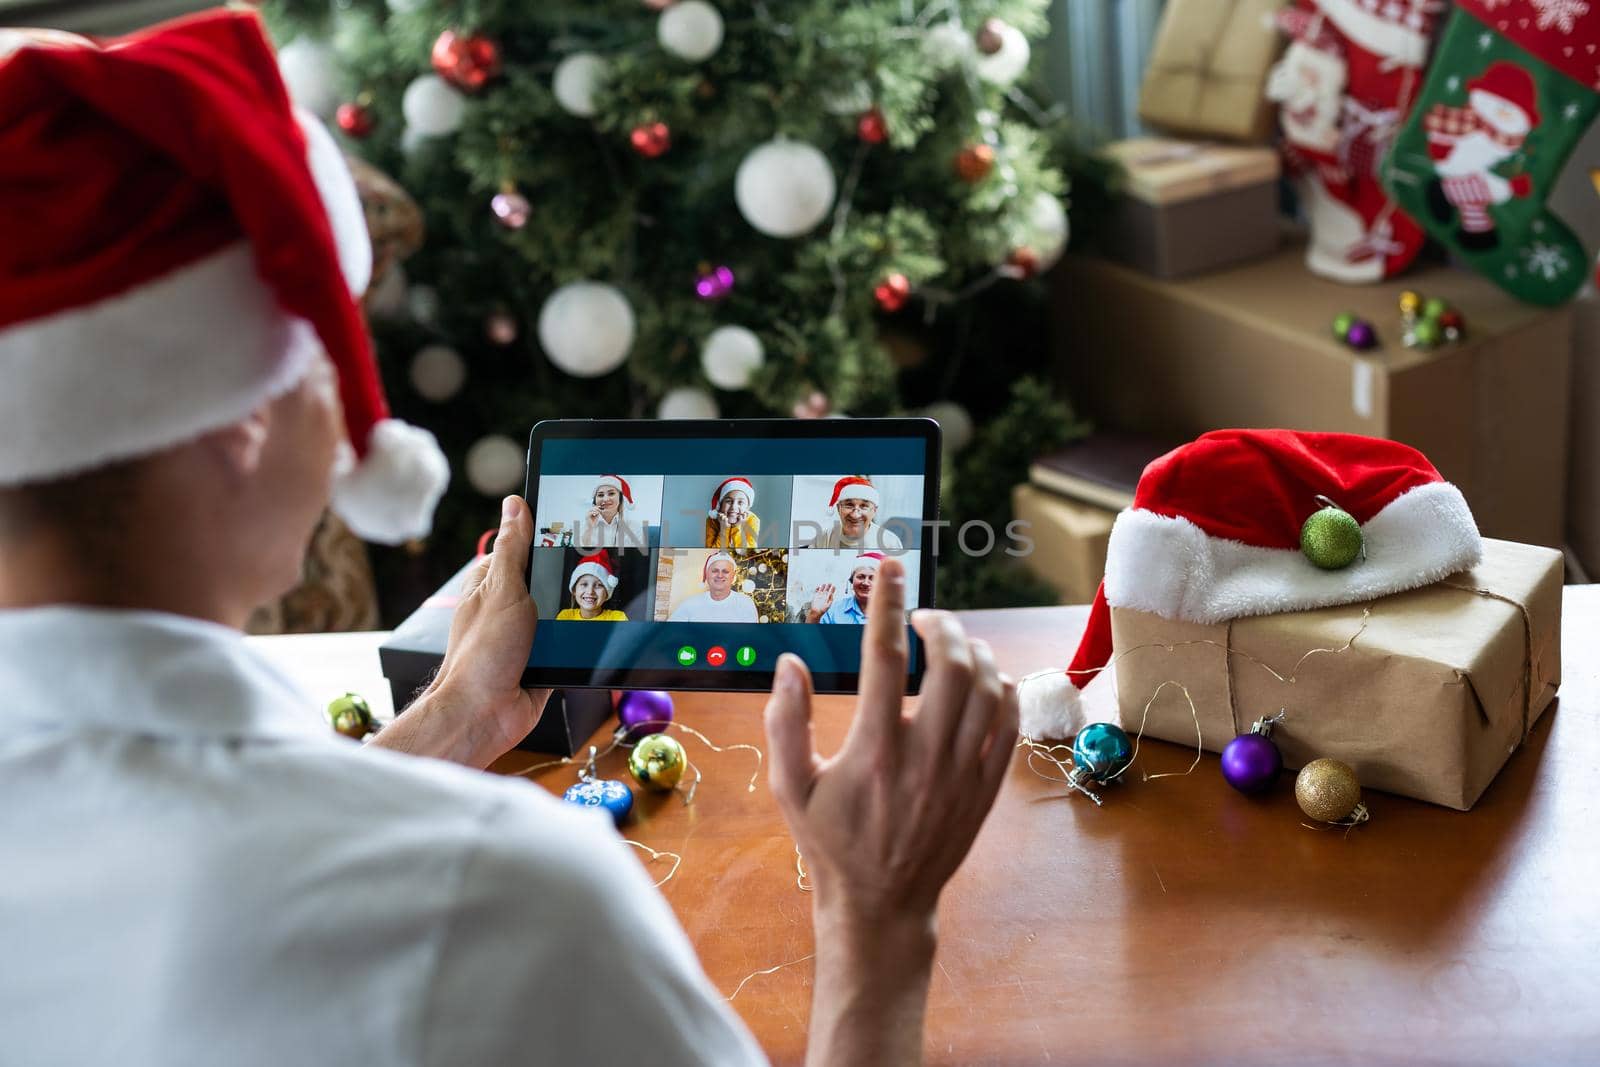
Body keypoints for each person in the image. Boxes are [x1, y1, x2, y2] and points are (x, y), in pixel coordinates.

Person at [0, 14, 1019, 1067]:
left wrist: (454, 718)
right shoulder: (496, 898)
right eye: (332, 355)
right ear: (241, 422)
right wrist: (878, 917)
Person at [806, 475, 905, 551]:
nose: (855, 514)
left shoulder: (890, 543)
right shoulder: (822, 540)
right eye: (849, 505)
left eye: (864, 506)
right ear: (838, 508)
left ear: (874, 511)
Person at [667, 551, 760, 622]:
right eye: (715, 571)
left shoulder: (745, 604)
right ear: (707, 574)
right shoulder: (690, 603)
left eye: (725, 571)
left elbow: (752, 638)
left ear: (733, 576)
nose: (720, 575)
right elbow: (669, 632)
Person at [805, 551, 884, 625]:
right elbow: (808, 637)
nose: (866, 583)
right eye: (860, 577)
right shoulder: (834, 610)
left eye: (872, 578)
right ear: (852, 580)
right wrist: (814, 614)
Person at [554, 550, 628, 621]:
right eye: (584, 584)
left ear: (607, 593)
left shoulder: (617, 618)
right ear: (574, 590)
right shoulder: (566, 617)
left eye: (598, 585)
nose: (590, 592)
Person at [578, 474, 648, 549]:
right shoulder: (584, 526)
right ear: (595, 501)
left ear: (620, 498)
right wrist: (589, 528)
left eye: (611, 493)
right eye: (600, 495)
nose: (605, 499)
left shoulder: (634, 528)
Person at [704, 475, 760, 548]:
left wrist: (737, 527)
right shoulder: (712, 520)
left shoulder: (752, 520)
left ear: (747, 508)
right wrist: (724, 528)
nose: (733, 507)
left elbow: (747, 552)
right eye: (728, 501)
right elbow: (711, 551)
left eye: (740, 502)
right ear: (720, 505)